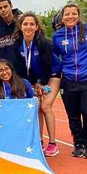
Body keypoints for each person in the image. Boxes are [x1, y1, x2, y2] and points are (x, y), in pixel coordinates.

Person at [52, 4, 87, 159]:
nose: (70, 17)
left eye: (73, 14)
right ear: (62, 17)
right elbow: (55, 58)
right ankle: (78, 143)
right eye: (67, 14)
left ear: (78, 15)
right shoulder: (58, 36)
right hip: (69, 79)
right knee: (73, 114)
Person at [13, 12, 61, 157]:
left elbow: (47, 66)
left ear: (37, 27)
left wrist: (41, 85)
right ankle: (39, 141)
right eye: (25, 24)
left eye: (32, 24)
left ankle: (53, 144)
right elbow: (20, 68)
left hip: (52, 75)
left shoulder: (43, 43)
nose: (28, 27)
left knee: (45, 105)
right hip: (33, 80)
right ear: (20, 27)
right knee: (36, 107)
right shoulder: (17, 45)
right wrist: (29, 85)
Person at [0, 0, 23, 72]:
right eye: (0, 8)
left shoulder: (21, 24)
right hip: (4, 71)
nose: (3, 10)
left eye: (5, 7)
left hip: (22, 69)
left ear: (11, 6)